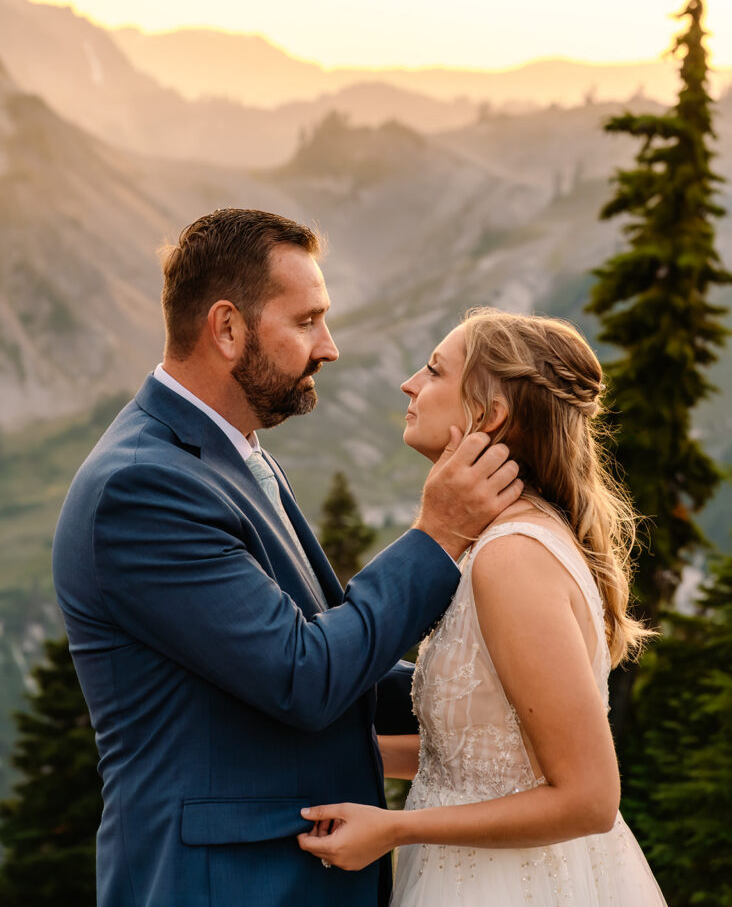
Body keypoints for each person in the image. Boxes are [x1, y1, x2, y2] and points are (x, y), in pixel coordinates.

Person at [52, 211, 523, 907]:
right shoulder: (141, 488)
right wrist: (438, 535)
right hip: (224, 887)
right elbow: (303, 674)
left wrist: (493, 686)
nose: (328, 347)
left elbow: (327, 645)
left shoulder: (233, 454)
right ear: (227, 328)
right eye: (307, 321)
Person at [298, 307, 668, 906]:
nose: (410, 384)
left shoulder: (511, 557)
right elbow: (485, 757)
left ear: (489, 415)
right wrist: (313, 755)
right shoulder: (500, 544)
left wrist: (395, 829)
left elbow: (590, 798)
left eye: (434, 370)